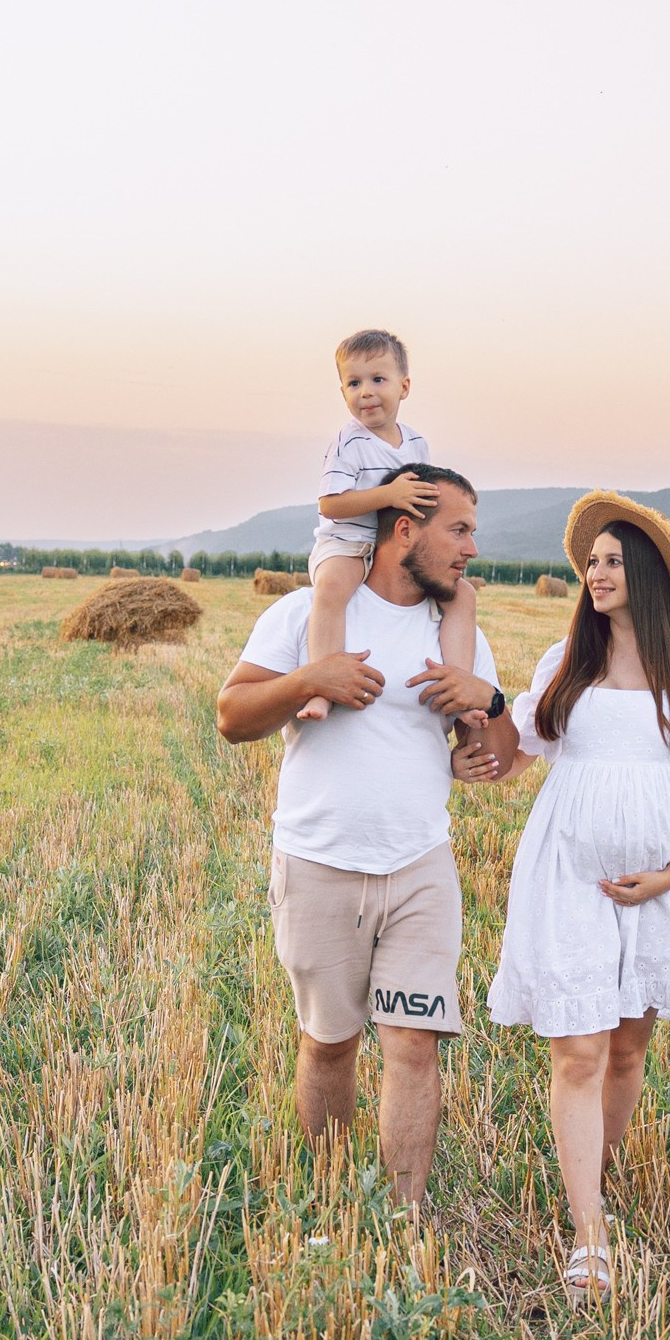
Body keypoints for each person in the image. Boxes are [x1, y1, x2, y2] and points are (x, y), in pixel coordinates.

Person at [481, 492, 670, 1296]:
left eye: (610, 559)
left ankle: (589, 1181)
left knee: (629, 1049)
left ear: (646, 572)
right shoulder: (564, 665)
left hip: (661, 886)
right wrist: (477, 708)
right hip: (567, 877)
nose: (595, 573)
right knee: (579, 1051)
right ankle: (589, 1232)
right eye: (590, 562)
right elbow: (510, 758)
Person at [216, 470, 517, 1209]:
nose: (472, 548)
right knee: (330, 1045)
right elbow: (231, 714)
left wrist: (491, 703)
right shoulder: (307, 615)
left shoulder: (458, 635)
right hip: (319, 862)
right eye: (459, 529)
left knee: (414, 1045)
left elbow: (502, 757)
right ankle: (328, 1206)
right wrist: (311, 679)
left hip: (420, 866)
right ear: (405, 529)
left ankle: (402, 1219)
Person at [295, 328, 481, 724]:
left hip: (398, 547)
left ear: (404, 386)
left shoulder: (416, 443)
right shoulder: (348, 443)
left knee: (462, 597)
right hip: (347, 544)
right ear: (342, 391)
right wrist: (388, 496)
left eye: (378, 380)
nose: (366, 392)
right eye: (354, 383)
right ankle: (322, 686)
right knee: (330, 589)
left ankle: (459, 686)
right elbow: (330, 504)